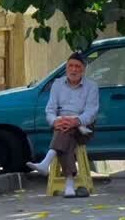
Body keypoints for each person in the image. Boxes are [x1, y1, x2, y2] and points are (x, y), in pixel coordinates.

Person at [27, 52, 99, 198]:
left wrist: (76, 121)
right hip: (61, 124)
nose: (73, 70)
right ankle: (69, 184)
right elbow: (50, 110)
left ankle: (48, 163)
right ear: (66, 68)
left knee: (66, 132)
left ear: (83, 70)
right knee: (65, 132)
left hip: (84, 127)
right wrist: (55, 121)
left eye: (77, 67)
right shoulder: (57, 84)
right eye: (70, 66)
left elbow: (91, 112)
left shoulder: (91, 86)